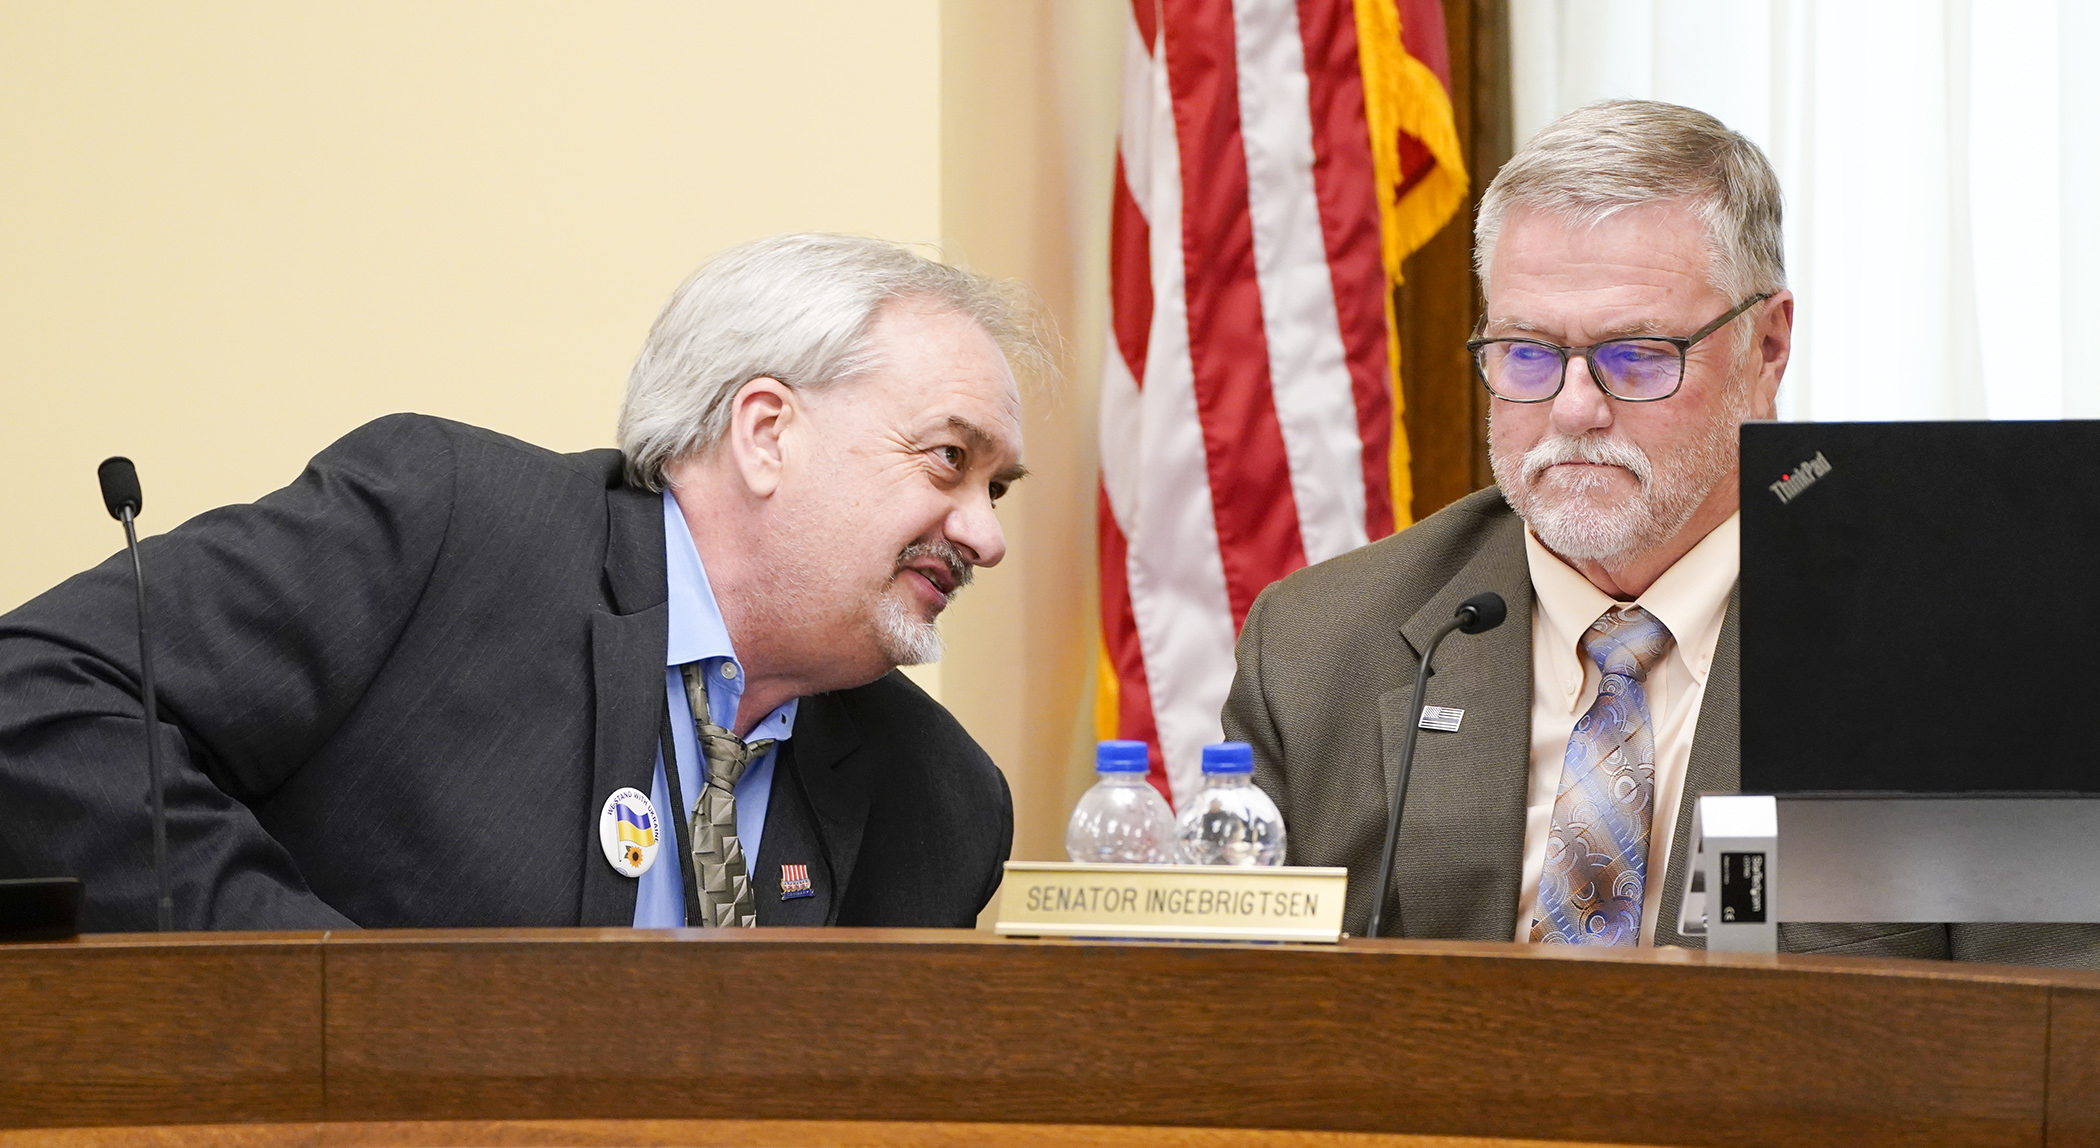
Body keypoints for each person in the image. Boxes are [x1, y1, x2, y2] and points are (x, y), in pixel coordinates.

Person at [1224, 100, 2100, 966]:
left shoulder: (1975, 639)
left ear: (1766, 350)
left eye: (1637, 354)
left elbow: (2051, 1044)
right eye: (1527, 353)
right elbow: (1242, 1018)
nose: (1574, 409)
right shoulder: (1319, 647)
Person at [0, 233, 1048, 933]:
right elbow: (36, 695)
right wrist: (327, 1001)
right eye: (948, 460)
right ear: (767, 432)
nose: (985, 534)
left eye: (998, 487)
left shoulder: (942, 803)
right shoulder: (450, 529)